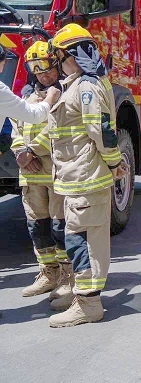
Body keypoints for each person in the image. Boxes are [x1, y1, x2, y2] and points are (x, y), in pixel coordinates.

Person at [46, 24, 128, 328]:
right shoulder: (79, 84)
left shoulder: (86, 87)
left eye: (59, 56)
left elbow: (102, 132)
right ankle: (81, 295)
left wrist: (114, 162)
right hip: (77, 178)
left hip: (87, 178)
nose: (57, 63)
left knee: (83, 241)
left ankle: (89, 304)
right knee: (77, 238)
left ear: (71, 55)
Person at [10, 41, 73, 305]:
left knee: (61, 227)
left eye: (46, 69)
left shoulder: (65, 95)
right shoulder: (25, 97)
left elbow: (59, 129)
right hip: (31, 175)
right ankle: (48, 273)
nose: (43, 75)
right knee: (38, 227)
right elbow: (15, 128)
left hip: (55, 173)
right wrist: (20, 153)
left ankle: (68, 278)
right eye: (36, 70)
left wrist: (32, 151)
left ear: (57, 66)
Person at [0, 43, 60, 123]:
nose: (44, 77)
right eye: (38, 73)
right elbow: (33, 116)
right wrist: (50, 97)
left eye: (48, 71)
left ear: (58, 67)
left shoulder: (70, 92)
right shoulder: (28, 97)